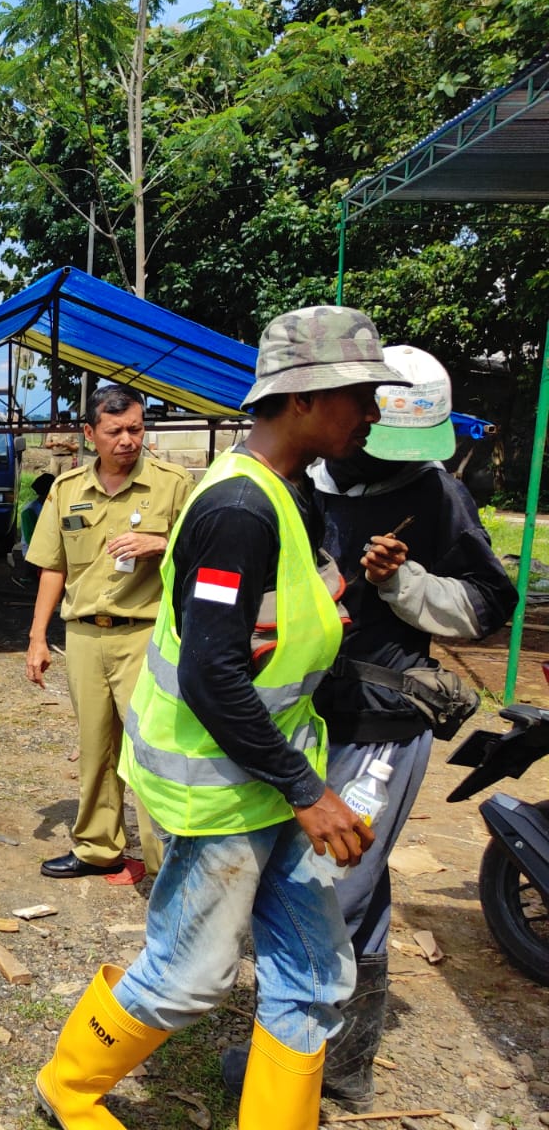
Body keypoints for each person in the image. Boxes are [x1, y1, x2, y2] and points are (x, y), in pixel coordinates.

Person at [34, 306, 408, 1130]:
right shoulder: (236, 509)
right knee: (189, 976)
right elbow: (211, 671)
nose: (375, 414)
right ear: (304, 398)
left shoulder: (292, 495)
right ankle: (66, 1085)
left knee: (315, 977)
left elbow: (274, 632)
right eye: (360, 395)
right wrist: (310, 790)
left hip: (275, 780)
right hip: (225, 789)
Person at [221, 345, 515, 1110]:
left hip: (382, 726)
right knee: (360, 889)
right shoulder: (303, 484)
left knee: (322, 893)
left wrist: (405, 582)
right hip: (314, 720)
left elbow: (488, 605)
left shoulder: (437, 496)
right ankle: (345, 1062)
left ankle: (285, 1064)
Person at [24, 385, 191, 883]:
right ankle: (98, 847)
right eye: (114, 431)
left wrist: (161, 543)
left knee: (151, 748)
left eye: (136, 429)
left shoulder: (173, 484)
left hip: (146, 634)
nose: (127, 440)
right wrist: (37, 638)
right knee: (96, 747)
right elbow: (51, 567)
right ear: (89, 433)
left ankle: (167, 864)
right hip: (83, 636)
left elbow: (207, 553)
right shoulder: (67, 488)